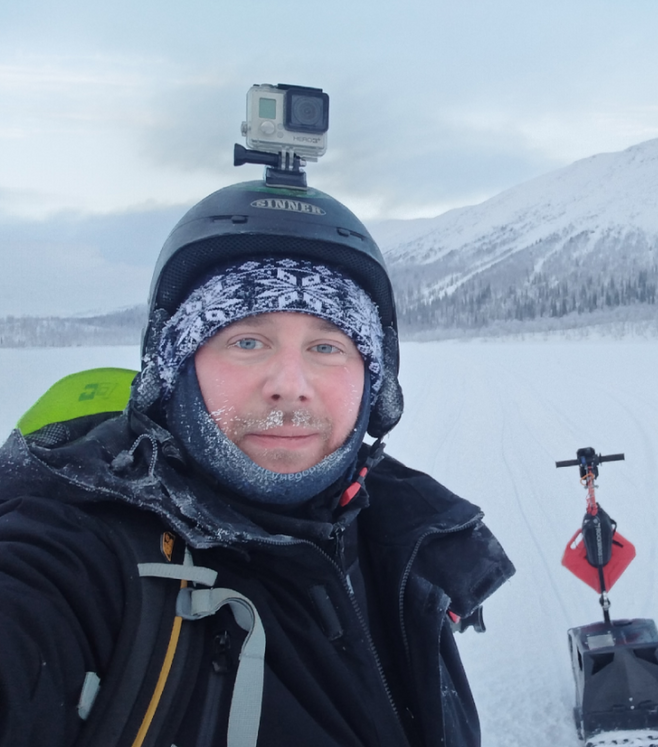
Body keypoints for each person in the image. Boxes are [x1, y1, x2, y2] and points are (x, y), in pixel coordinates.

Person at [0, 180, 515, 747]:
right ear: (174, 371)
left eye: (327, 347)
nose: (290, 386)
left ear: (374, 387)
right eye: (247, 341)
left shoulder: (406, 541)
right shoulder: (77, 559)